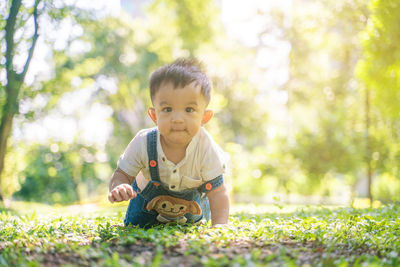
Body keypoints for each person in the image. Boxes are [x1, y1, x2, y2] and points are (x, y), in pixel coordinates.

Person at [108, 58, 230, 228]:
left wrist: (220, 226)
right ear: (154, 116)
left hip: (188, 212)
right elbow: (122, 173)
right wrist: (119, 186)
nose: (178, 119)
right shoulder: (143, 142)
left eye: (189, 110)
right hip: (145, 208)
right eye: (167, 109)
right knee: (136, 227)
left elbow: (217, 192)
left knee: (194, 225)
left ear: (204, 117)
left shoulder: (206, 148)